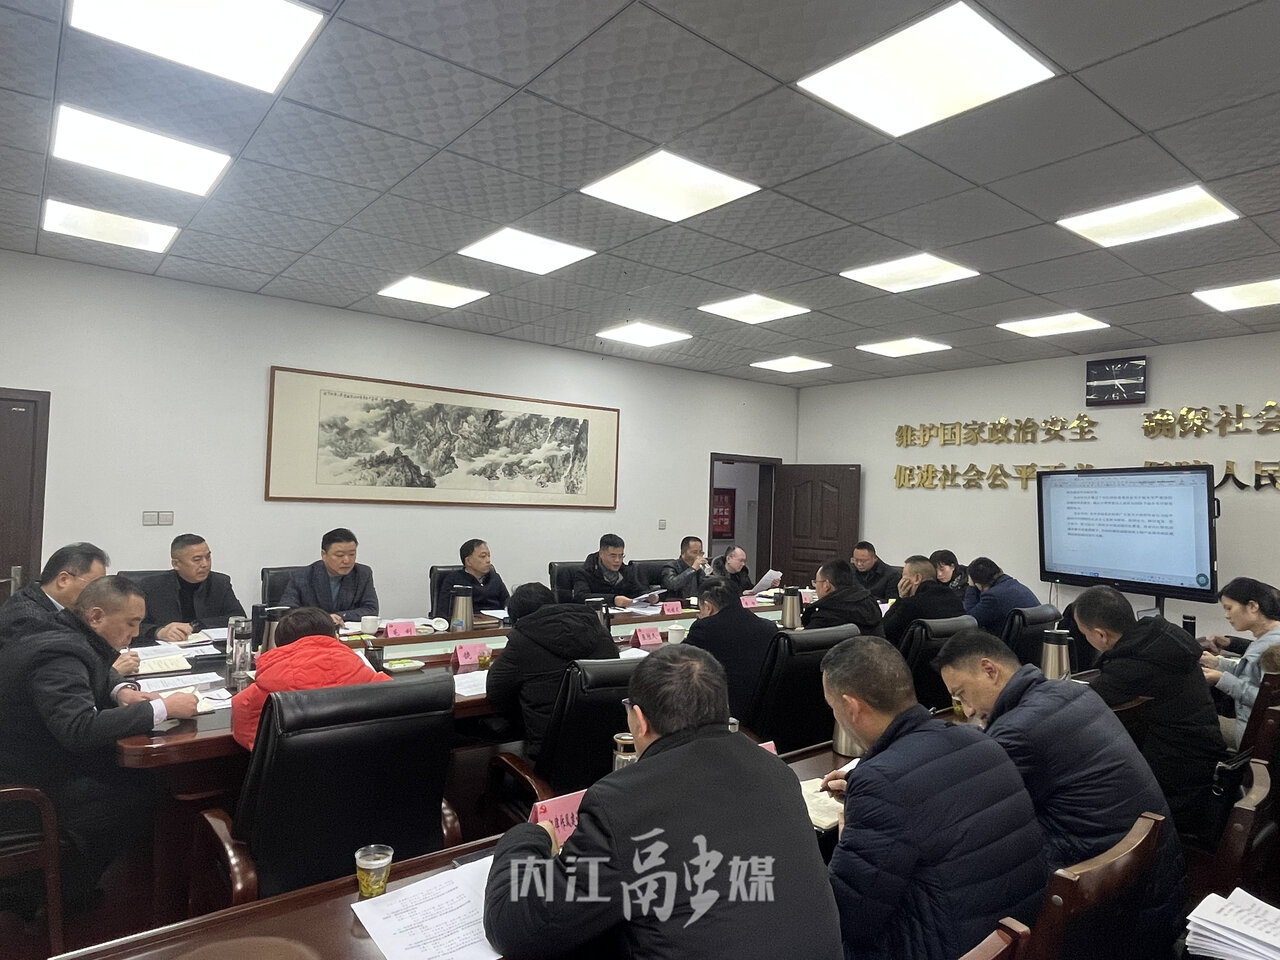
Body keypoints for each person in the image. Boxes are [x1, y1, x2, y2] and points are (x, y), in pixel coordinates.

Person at [484, 645, 843, 960]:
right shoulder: (775, 770)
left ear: (639, 720)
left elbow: (515, 926)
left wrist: (529, 837)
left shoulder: (621, 805)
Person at [934, 629, 1187, 959]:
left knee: (953, 880)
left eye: (962, 694)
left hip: (1114, 911)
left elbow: (969, 814)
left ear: (989, 669)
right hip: (1153, 890)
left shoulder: (1017, 730)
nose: (966, 710)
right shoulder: (1070, 691)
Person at [820, 636, 1045, 960]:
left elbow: (848, 917)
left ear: (851, 707)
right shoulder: (981, 741)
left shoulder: (882, 784)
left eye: (833, 708)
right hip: (1019, 935)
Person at [0, 577, 198, 904]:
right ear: (95, 616)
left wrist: (121, 691)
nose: (136, 633)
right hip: (28, 785)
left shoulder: (62, 631)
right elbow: (78, 728)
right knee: (143, 793)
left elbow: (96, 666)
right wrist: (162, 708)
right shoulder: (58, 654)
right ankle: (55, 893)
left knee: (142, 776)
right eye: (131, 623)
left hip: (39, 758)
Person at [1073, 585, 1227, 835]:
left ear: (1100, 635)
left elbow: (1082, 704)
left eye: (1084, 633)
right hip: (1202, 756)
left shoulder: (1131, 668)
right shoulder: (1162, 635)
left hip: (1177, 782)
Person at [485, 582, 618, 760]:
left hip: (551, 759)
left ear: (518, 619)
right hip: (606, 751)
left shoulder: (522, 641)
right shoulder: (598, 630)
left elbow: (496, 694)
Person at [231, 606, 390, 751]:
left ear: (279, 646)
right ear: (335, 637)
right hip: (362, 769)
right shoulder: (371, 680)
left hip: (293, 772)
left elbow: (254, 743)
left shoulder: (251, 698)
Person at [0, 543, 138, 677]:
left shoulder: (67, 607)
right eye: (94, 585)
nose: (99, 592)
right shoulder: (28, 619)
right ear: (63, 580)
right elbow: (49, 676)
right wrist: (110, 671)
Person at [1201, 577, 1280, 748]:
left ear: (1252, 606)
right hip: (1256, 729)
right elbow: (1251, 673)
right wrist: (1217, 663)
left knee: (1198, 725)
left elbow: (1268, 701)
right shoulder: (1266, 639)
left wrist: (1221, 679)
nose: (1227, 616)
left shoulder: (1273, 646)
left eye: (1229, 608)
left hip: (1258, 738)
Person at [686, 577, 779, 721]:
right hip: (765, 709)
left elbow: (679, 660)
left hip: (724, 709)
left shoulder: (705, 629)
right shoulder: (768, 627)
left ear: (708, 607)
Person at [139, 534, 246, 643]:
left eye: (208, 557)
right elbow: (133, 624)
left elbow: (239, 618)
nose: (205, 564)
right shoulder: (151, 587)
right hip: (167, 649)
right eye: (197, 559)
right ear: (176, 564)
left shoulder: (220, 583)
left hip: (208, 649)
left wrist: (196, 625)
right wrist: (158, 632)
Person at [280, 527, 378, 624]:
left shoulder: (362, 573)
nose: (347, 560)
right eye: (339, 555)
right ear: (324, 555)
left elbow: (371, 610)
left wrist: (339, 616)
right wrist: (324, 618)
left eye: (352, 554)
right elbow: (287, 612)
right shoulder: (301, 576)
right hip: (313, 632)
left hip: (348, 632)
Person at [879, 554, 965, 647]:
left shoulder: (910, 604)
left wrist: (901, 598)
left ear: (917, 578)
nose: (901, 581)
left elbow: (884, 630)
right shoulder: (953, 597)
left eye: (904, 577)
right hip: (954, 653)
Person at [431, 538, 511, 620]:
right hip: (467, 623)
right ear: (468, 561)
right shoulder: (454, 580)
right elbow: (444, 612)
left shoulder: (494, 577)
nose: (488, 560)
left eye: (489, 556)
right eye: (483, 556)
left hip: (496, 623)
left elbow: (507, 602)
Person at [802, 558, 883, 635]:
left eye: (816, 582)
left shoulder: (825, 617)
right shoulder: (870, 605)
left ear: (826, 585)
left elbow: (803, 640)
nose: (815, 587)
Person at [571, 533, 654, 607]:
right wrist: (613, 600)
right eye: (613, 556)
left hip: (624, 616)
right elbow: (580, 597)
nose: (617, 560)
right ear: (601, 554)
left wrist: (647, 597)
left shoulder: (626, 571)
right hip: (596, 616)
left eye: (621, 556)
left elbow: (637, 591)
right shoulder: (585, 572)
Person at [962, 556, 1040, 633]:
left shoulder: (993, 597)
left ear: (978, 585)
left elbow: (969, 621)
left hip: (1007, 641)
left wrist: (971, 587)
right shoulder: (1014, 584)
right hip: (1036, 639)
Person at [710, 544, 777, 595]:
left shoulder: (743, 573)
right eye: (740, 560)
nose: (743, 564)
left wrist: (769, 586)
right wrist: (741, 594)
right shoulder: (715, 576)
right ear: (728, 559)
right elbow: (719, 596)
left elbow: (751, 589)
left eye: (744, 561)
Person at [659, 535, 710, 601]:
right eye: (694, 552)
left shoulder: (700, 568)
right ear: (683, 553)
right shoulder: (671, 566)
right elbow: (672, 585)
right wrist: (692, 569)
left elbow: (705, 587)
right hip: (677, 602)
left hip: (696, 603)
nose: (698, 556)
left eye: (700, 552)